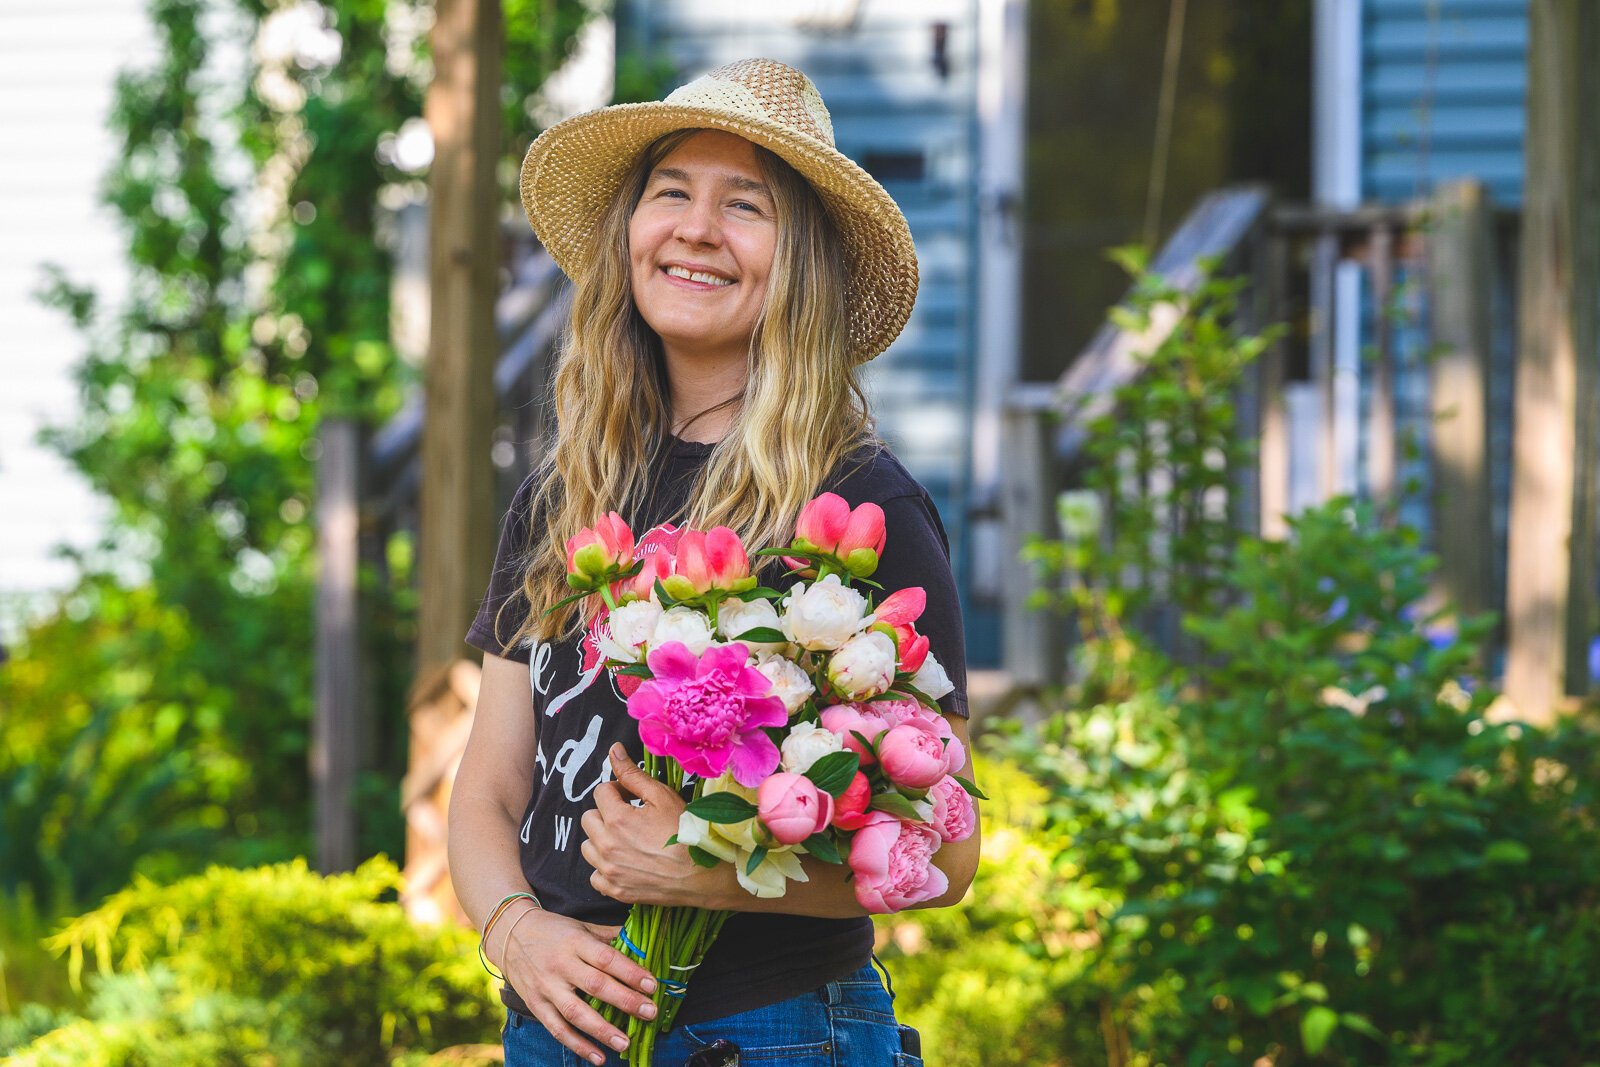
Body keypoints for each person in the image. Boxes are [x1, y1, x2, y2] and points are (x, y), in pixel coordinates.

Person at [448, 58, 978, 1067]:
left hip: (771, 1032)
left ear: (802, 265)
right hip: (553, 1027)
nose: (697, 228)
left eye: (746, 205)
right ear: (628, 236)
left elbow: (947, 853)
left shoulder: (858, 505)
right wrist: (515, 929)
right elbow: (485, 791)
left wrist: (711, 868)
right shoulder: (563, 498)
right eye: (671, 193)